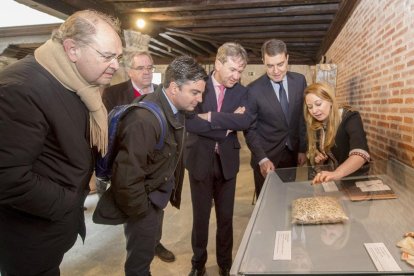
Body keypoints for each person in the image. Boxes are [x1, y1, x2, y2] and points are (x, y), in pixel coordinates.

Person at [0, 10, 122, 276]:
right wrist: (69, 202)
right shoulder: (20, 88)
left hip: (52, 232)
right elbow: (8, 176)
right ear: (72, 49)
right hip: (30, 239)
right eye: (107, 56)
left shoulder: (72, 80)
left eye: (118, 57)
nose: (115, 65)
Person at [94, 55, 207, 276]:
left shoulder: (174, 109)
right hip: (143, 204)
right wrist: (142, 214)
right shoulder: (144, 120)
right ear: (174, 88)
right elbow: (126, 178)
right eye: (195, 92)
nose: (200, 99)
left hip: (154, 197)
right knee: (139, 264)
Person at [99, 49, 175, 263]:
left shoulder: (162, 92)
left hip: (158, 169)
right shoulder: (114, 94)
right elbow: (107, 130)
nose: (147, 72)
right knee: (134, 213)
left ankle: (155, 241)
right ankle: (138, 247)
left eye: (150, 67)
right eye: (141, 68)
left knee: (157, 210)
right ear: (129, 71)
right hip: (129, 164)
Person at [185, 42, 251, 276]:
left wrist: (211, 117)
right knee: (200, 218)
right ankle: (198, 264)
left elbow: (244, 122)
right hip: (199, 160)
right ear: (218, 63)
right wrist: (226, 124)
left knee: (225, 218)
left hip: (227, 163)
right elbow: (190, 121)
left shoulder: (242, 91)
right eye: (232, 69)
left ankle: (225, 263)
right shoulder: (197, 83)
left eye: (240, 71)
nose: (237, 76)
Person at [244, 39, 307, 198]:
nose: (276, 71)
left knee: (287, 199)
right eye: (270, 66)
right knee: (267, 203)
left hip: (291, 153)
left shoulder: (300, 81)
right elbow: (249, 129)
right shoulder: (252, 90)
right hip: (266, 157)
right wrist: (262, 158)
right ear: (263, 61)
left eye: (280, 64)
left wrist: (302, 149)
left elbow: (302, 117)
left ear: (287, 59)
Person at [303, 82, 370, 184]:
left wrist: (337, 173)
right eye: (310, 107)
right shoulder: (314, 124)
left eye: (318, 104)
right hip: (332, 182)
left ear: (330, 101)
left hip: (354, 180)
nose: (314, 111)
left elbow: (360, 153)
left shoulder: (349, 117)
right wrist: (319, 161)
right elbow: (313, 157)